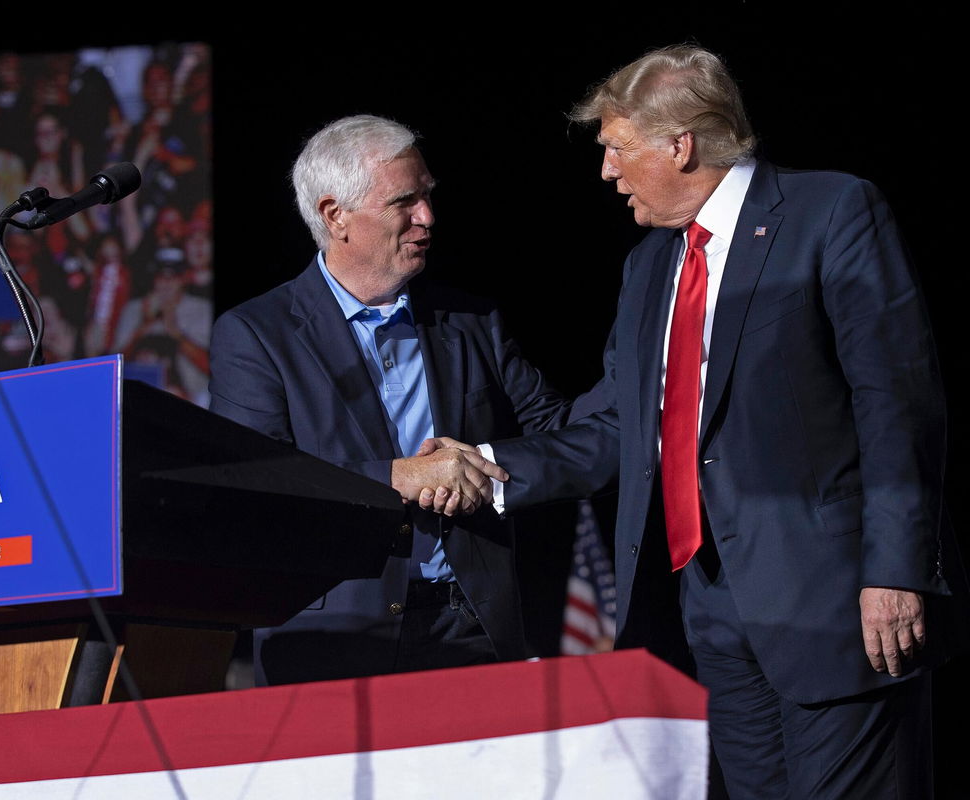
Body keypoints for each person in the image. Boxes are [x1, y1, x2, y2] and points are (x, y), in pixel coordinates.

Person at [423, 45, 958, 798]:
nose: (606, 172)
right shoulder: (649, 268)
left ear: (679, 146)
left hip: (837, 605)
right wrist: (483, 465)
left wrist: (896, 571)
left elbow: (897, 406)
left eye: (615, 149)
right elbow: (616, 429)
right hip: (709, 610)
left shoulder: (831, 211)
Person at [209, 115, 578, 685]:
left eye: (427, 196)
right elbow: (258, 482)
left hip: (470, 625)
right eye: (404, 201)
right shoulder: (257, 333)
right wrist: (397, 476)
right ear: (336, 216)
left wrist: (644, 373)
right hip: (330, 639)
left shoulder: (469, 320)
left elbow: (559, 434)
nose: (427, 217)